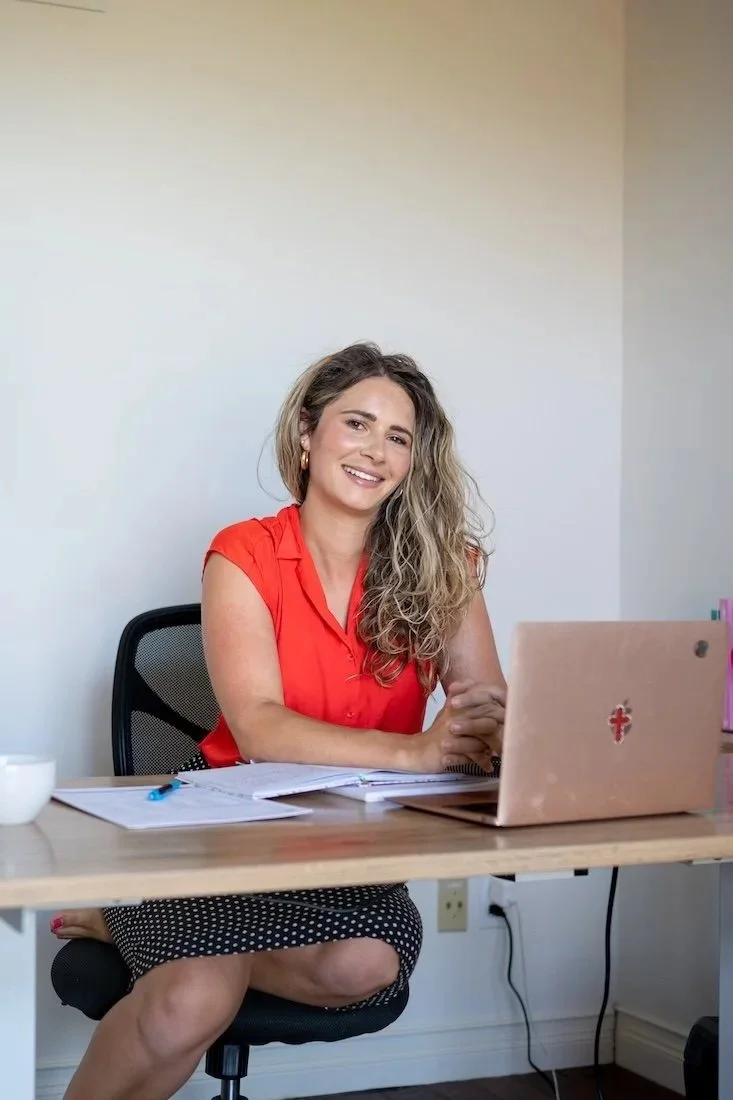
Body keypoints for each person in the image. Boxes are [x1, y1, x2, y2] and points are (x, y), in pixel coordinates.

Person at [53, 342, 507, 1100]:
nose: (375, 451)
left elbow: (483, 706)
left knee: (369, 967)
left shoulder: (442, 565)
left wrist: (491, 727)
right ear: (306, 434)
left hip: (353, 849)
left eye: (398, 437)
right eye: (356, 424)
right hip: (231, 838)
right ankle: (146, 925)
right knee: (194, 997)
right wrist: (418, 749)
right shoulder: (244, 553)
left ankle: (133, 927)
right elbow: (260, 727)